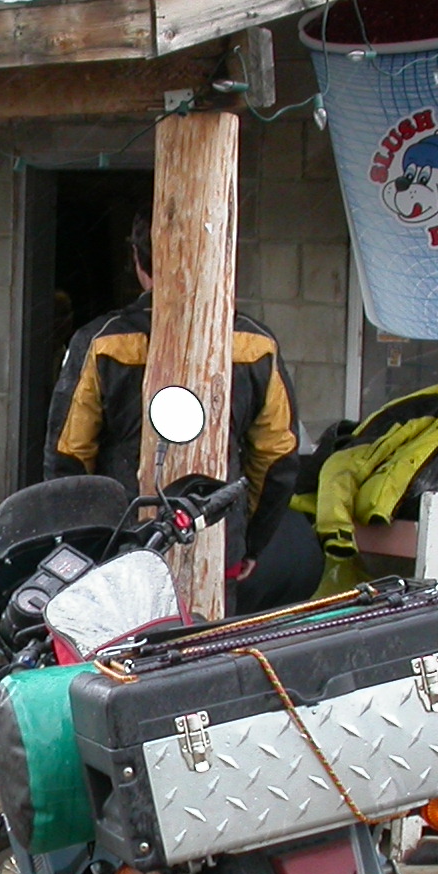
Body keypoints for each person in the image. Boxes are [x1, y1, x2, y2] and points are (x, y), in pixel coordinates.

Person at [42, 211, 319, 609]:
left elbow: (68, 457)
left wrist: (79, 547)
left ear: (138, 261)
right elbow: (277, 459)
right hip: (219, 549)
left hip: (121, 555)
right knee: (205, 664)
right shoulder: (255, 344)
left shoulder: (102, 342)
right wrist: (249, 543)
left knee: (125, 668)